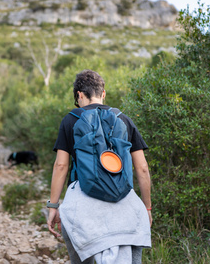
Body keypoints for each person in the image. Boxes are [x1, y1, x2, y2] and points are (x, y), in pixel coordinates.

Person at [47, 69, 152, 264]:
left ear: (79, 95)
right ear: (103, 93)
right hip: (125, 200)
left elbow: (61, 165)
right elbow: (143, 168)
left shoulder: (70, 119)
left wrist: (53, 206)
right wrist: (146, 208)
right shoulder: (124, 119)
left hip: (82, 197)